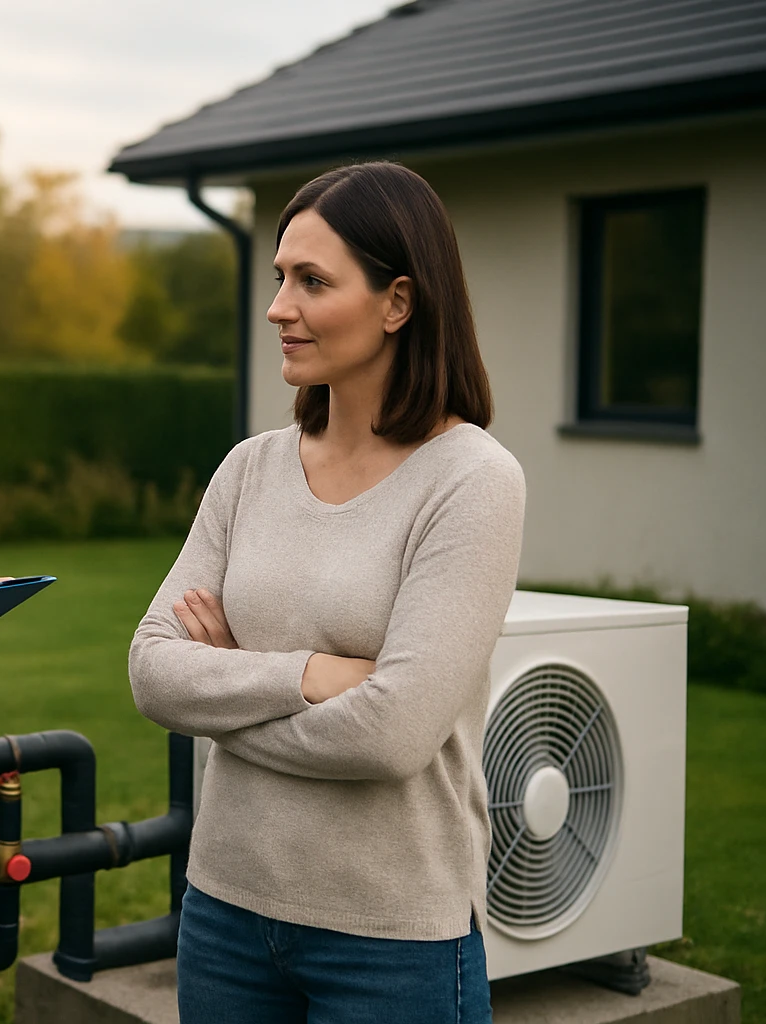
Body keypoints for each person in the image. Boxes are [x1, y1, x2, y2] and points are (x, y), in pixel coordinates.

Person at [129, 161, 526, 1024]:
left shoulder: (471, 481)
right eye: (280, 277)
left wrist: (226, 700)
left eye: (312, 281)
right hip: (225, 913)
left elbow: (392, 734)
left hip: (392, 944)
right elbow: (153, 672)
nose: (280, 306)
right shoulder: (251, 469)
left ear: (398, 303)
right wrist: (310, 674)